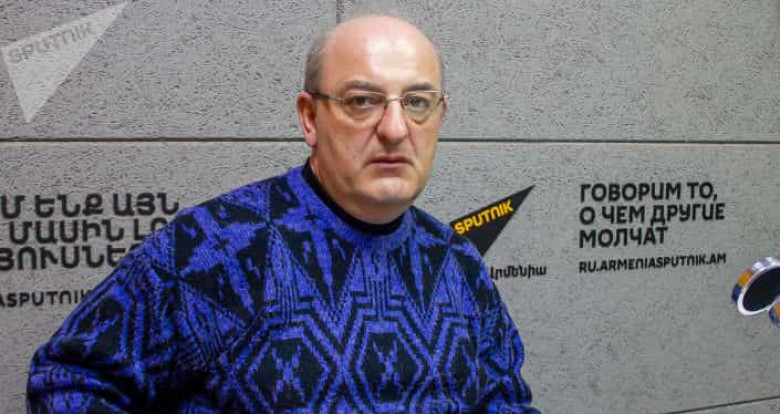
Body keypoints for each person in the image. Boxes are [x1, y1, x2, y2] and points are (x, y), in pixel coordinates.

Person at [27, 15, 539, 413]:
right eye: (363, 101)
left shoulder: (457, 264)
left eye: (417, 102)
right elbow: (69, 381)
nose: (394, 128)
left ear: (440, 116)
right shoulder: (215, 248)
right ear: (310, 118)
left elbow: (505, 404)